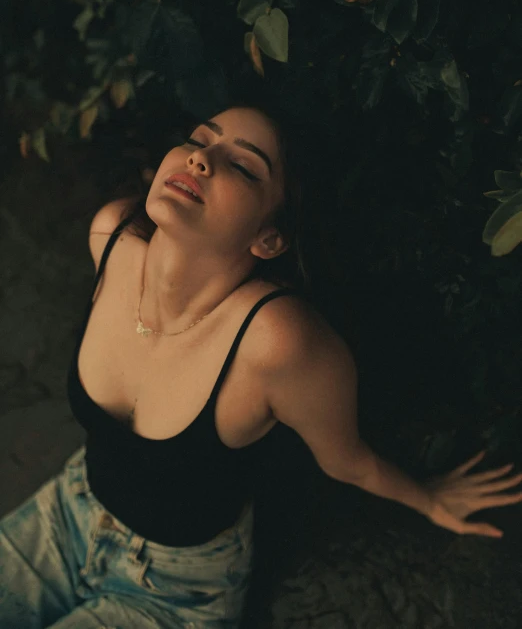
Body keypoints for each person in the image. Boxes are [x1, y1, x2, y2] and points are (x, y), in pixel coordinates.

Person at [1, 102, 521, 629]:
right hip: (66, 512)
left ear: (268, 238)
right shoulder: (111, 236)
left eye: (245, 167)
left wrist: (428, 498)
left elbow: (347, 459)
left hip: (175, 588)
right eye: (200, 138)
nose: (201, 159)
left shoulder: (278, 342)